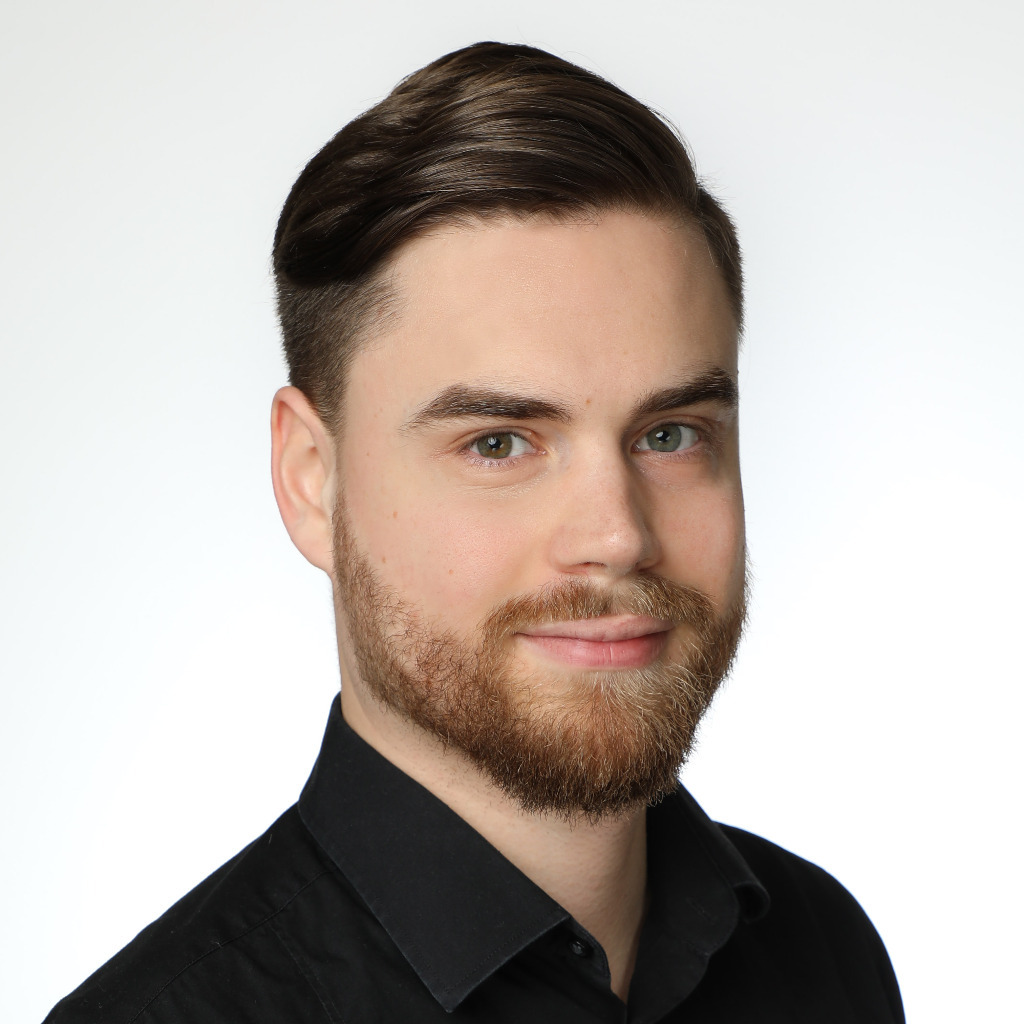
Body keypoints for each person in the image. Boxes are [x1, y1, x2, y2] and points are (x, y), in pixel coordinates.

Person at [45, 41, 904, 1023]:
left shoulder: (819, 951)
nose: (616, 536)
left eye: (669, 434)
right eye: (498, 443)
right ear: (311, 480)